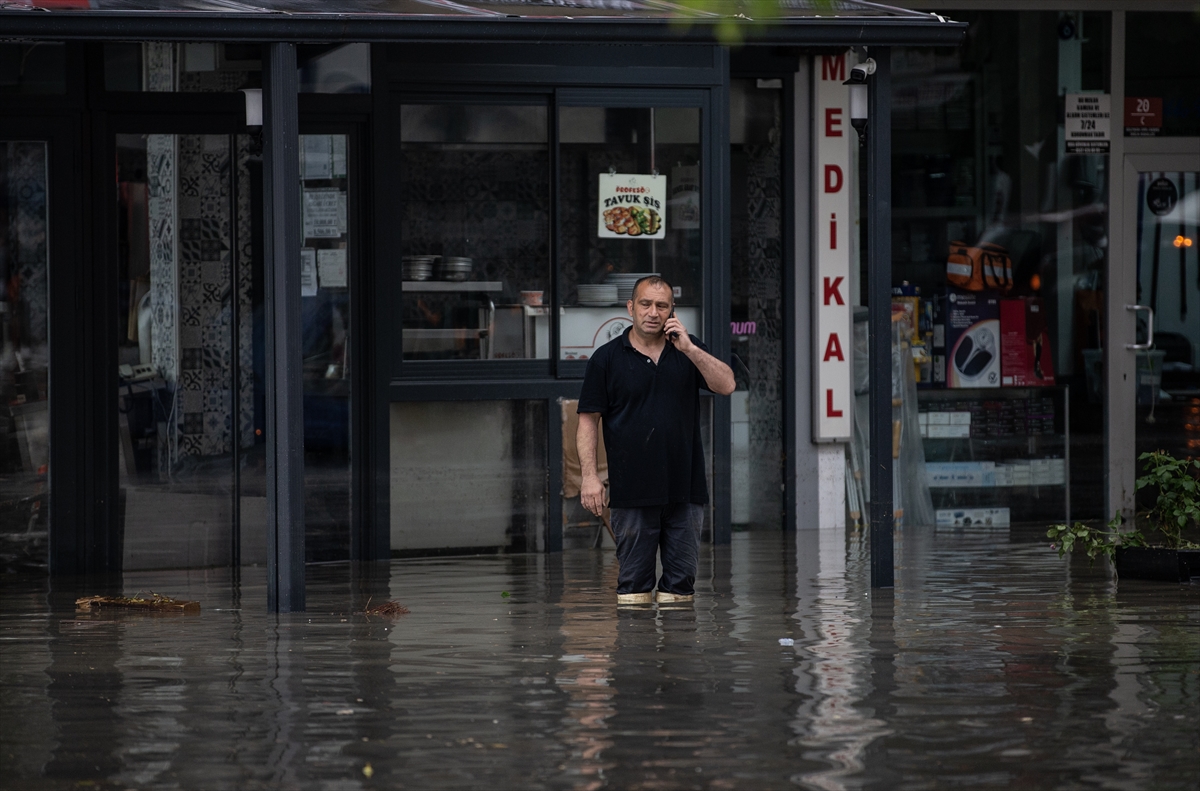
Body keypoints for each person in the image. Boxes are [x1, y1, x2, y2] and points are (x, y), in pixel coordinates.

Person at [576, 276, 736, 605]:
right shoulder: (606, 359)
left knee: (680, 592)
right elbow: (588, 422)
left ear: (671, 311)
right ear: (630, 308)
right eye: (646, 304)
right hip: (632, 492)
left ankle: (677, 653)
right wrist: (589, 478)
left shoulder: (688, 351)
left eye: (661, 306)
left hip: (685, 490)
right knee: (633, 591)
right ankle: (637, 654)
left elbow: (727, 385)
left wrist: (690, 348)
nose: (653, 312)